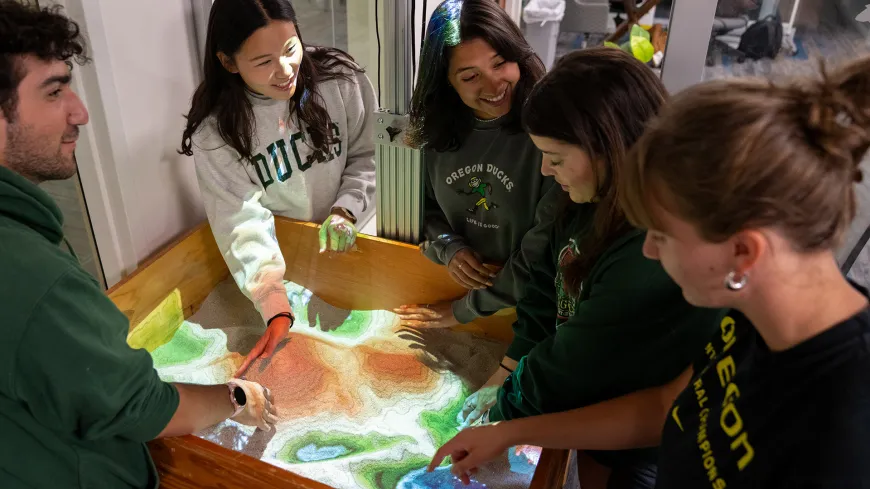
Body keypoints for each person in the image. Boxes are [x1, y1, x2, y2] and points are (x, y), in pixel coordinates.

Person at [430, 55, 870, 488]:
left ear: (744, 251)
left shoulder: (841, 429)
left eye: (661, 233)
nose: (647, 251)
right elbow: (665, 407)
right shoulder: (751, 312)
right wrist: (511, 431)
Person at [0, 2, 278, 488]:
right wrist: (235, 398)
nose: (80, 112)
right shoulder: (34, 278)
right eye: (54, 90)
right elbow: (139, 404)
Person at [454, 48, 723, 489]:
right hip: (597, 404)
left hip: (644, 429)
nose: (545, 169)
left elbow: (576, 358)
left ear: (608, 148)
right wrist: (508, 367)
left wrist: (506, 414)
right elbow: (545, 285)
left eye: (556, 158)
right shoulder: (582, 196)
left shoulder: (647, 246)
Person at [179, 0, 378, 375]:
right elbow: (240, 218)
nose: (285, 70)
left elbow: (370, 156)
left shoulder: (341, 79)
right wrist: (273, 303)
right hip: (284, 262)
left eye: (290, 49)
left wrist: (346, 209)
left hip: (360, 235)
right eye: (263, 61)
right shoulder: (216, 130)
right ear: (228, 62)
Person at [395, 0, 559, 332]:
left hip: (532, 306)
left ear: (519, 58)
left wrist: (465, 310)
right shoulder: (434, 134)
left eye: (501, 64)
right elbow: (419, 213)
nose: (494, 85)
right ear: (446, 82)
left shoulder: (549, 134)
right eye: (471, 76)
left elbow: (541, 251)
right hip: (455, 289)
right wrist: (448, 247)